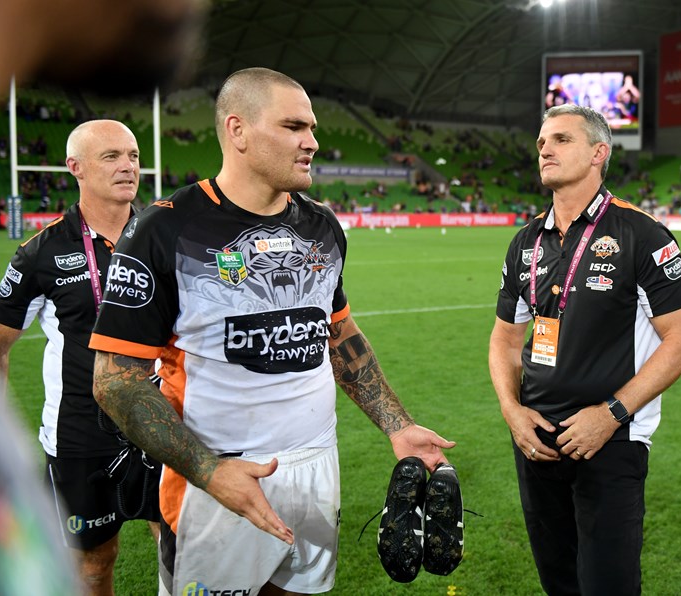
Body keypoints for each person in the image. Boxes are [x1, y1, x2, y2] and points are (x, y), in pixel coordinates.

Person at [89, 67, 455, 596]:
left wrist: (397, 425)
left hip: (315, 463)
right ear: (237, 130)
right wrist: (211, 471)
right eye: (293, 127)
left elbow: (338, 335)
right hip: (218, 472)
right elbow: (115, 381)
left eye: (311, 127)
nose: (313, 141)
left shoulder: (322, 226)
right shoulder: (165, 229)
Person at [488, 104, 681, 595]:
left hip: (612, 440)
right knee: (558, 581)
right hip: (537, 438)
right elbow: (504, 338)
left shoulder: (640, 233)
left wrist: (611, 414)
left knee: (608, 584)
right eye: (542, 141)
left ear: (598, 153)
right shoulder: (525, 241)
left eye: (561, 139)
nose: (545, 148)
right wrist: (512, 410)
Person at [0, 120, 162, 595]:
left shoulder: (166, 234)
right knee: (93, 564)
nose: (128, 165)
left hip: (166, 424)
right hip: (79, 434)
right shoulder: (40, 252)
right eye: (111, 156)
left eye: (132, 155)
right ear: (75, 168)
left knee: (179, 546)